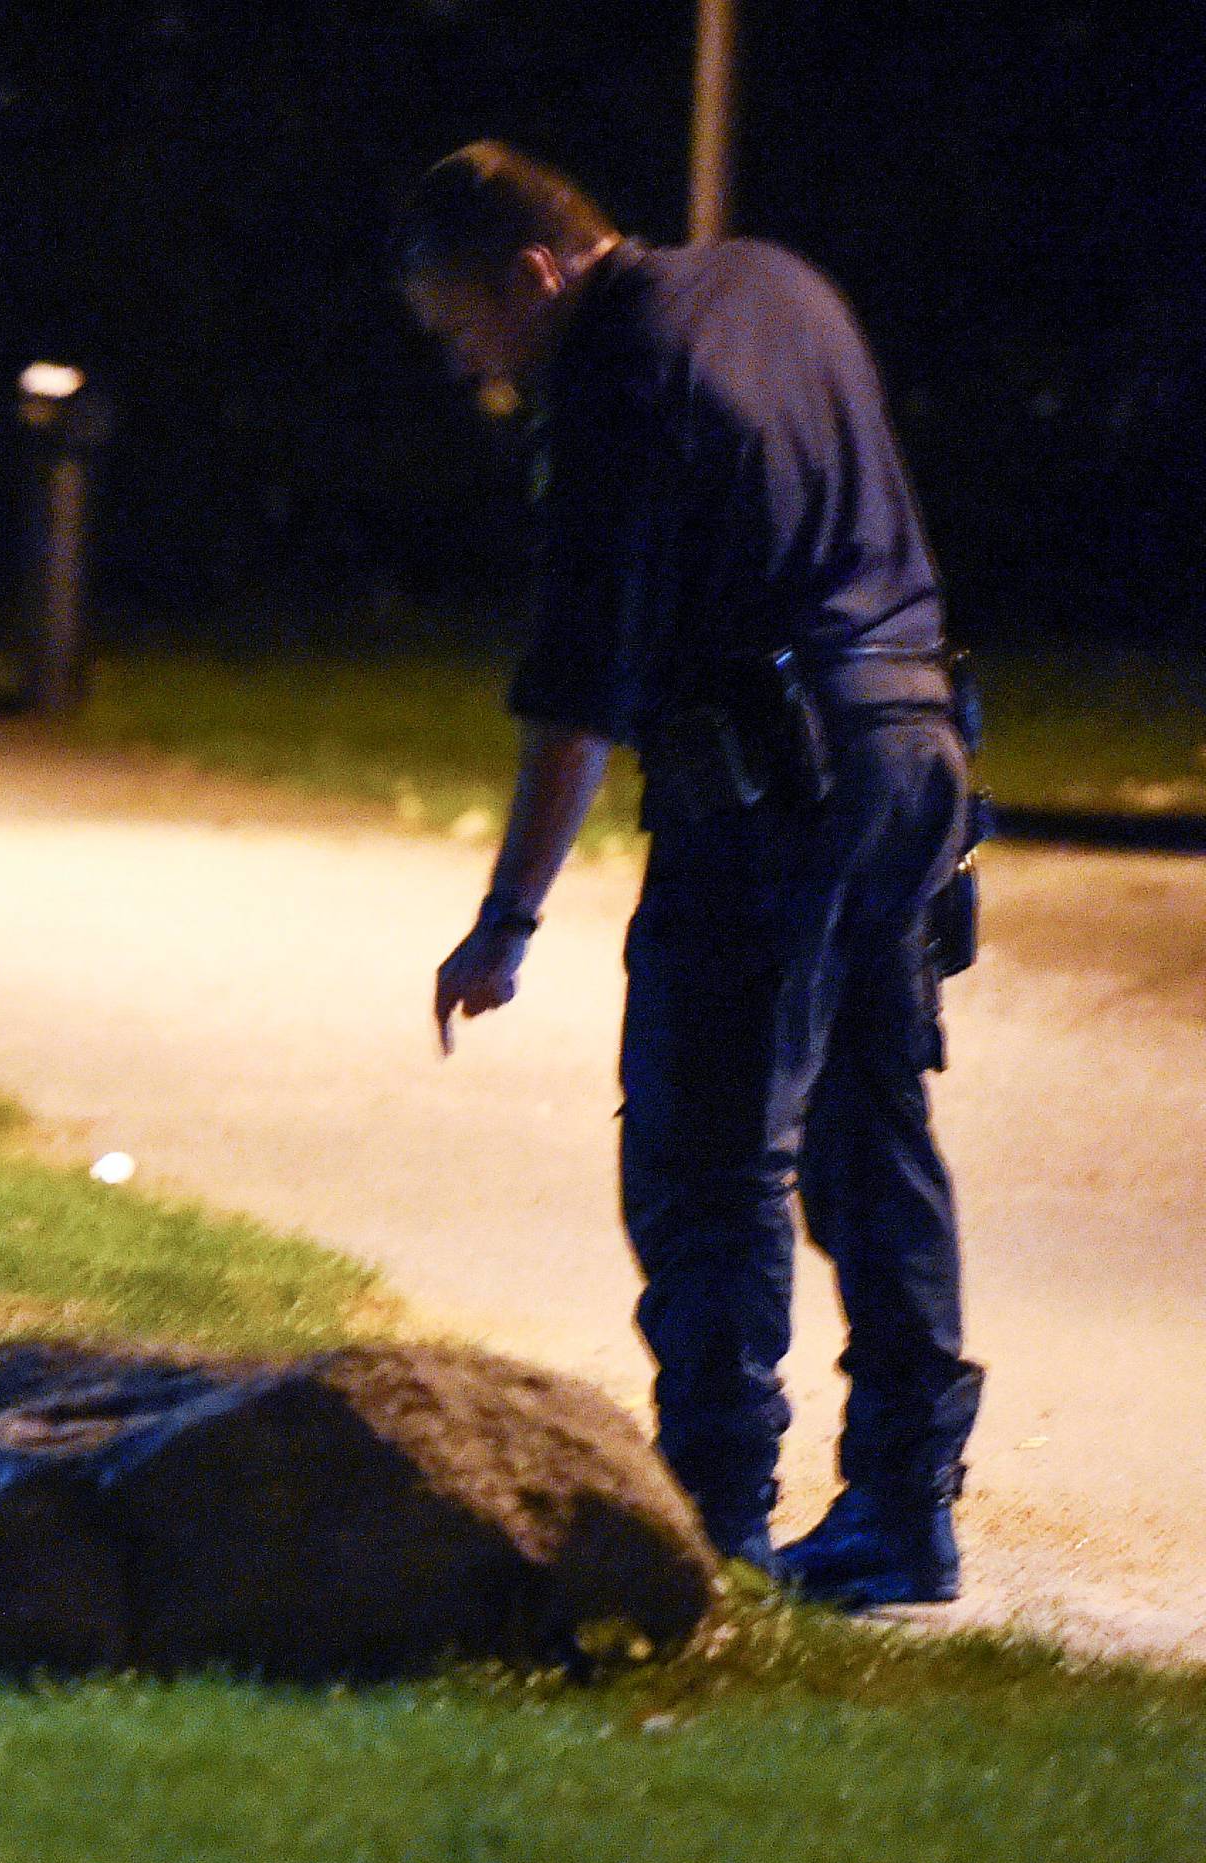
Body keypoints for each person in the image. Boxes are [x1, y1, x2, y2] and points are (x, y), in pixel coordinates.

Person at [393, 141, 983, 1607]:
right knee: (874, 1129)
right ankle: (907, 1511)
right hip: (917, 743)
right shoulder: (774, 283)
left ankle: (712, 1531)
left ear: (535, 271)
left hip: (772, 774)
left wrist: (506, 919)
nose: (476, 367)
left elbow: (580, 692)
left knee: (710, 1156)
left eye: (468, 325)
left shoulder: (620, 376)